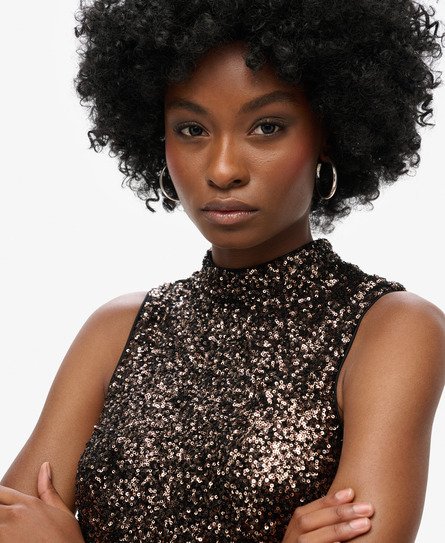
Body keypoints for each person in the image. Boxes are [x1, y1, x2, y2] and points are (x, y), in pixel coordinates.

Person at [1, 0, 444, 541]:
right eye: (191, 129)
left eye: (267, 127)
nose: (223, 168)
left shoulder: (392, 329)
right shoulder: (116, 330)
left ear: (328, 135)